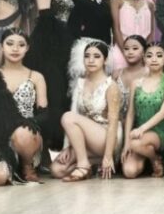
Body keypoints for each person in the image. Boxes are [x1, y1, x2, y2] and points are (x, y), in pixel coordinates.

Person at [0, 29, 46, 185]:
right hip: (0, 138)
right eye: (10, 44)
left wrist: (31, 122)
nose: (15, 49)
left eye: (21, 45)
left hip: (27, 136)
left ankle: (27, 166)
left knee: (23, 132)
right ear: (1, 46)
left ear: (27, 48)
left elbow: (45, 113)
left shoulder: (36, 76)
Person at [25, 0, 74, 153]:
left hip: (61, 42)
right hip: (50, 45)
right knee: (53, 92)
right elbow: (45, 19)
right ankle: (45, 145)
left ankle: (54, 145)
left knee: (59, 93)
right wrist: (59, 47)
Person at [50, 42, 122, 182]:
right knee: (57, 169)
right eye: (87, 56)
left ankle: (83, 164)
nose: (91, 60)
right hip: (85, 137)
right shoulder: (80, 83)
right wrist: (68, 147)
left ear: (105, 60)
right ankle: (92, 163)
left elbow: (113, 123)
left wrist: (108, 156)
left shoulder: (111, 86)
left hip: (107, 136)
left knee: (67, 117)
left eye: (96, 56)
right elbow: (75, 113)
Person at [121, 43, 164, 178]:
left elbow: (163, 113)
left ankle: (155, 159)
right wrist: (126, 144)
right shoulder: (136, 83)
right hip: (139, 133)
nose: (154, 59)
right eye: (149, 56)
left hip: (159, 130)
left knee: (135, 143)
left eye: (159, 55)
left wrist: (141, 130)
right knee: (129, 171)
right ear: (144, 58)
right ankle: (150, 156)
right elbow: (130, 114)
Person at [68, 0, 114, 83]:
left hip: (103, 52)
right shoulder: (75, 1)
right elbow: (72, 32)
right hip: (84, 54)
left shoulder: (105, 4)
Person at [110, 0, 155, 70]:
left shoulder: (150, 4)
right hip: (121, 53)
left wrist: (143, 53)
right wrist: (126, 52)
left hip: (144, 55)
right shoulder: (116, 1)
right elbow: (116, 29)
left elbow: (152, 32)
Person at [112, 35, 148, 122]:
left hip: (141, 122)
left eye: (135, 48)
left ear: (144, 52)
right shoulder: (116, 74)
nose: (130, 52)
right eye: (126, 49)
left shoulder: (149, 74)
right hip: (117, 121)